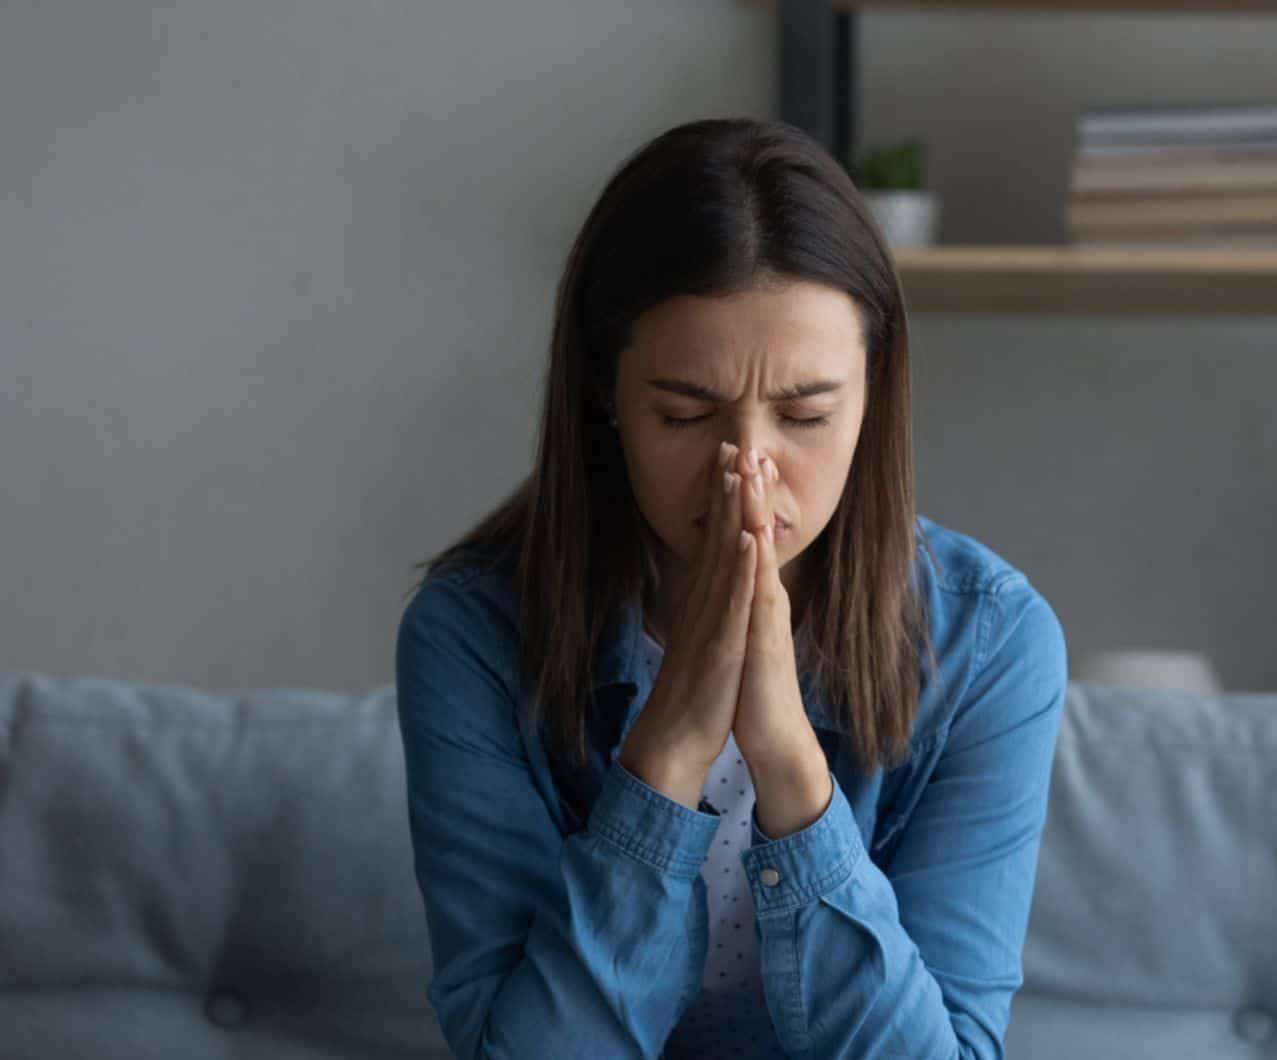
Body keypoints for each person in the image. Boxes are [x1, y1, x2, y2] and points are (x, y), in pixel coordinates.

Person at [394, 116, 1068, 1059]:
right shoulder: (472, 634)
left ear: (873, 397)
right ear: (606, 393)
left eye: (805, 415)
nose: (748, 468)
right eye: (685, 413)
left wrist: (789, 762)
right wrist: (666, 754)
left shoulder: (989, 642)